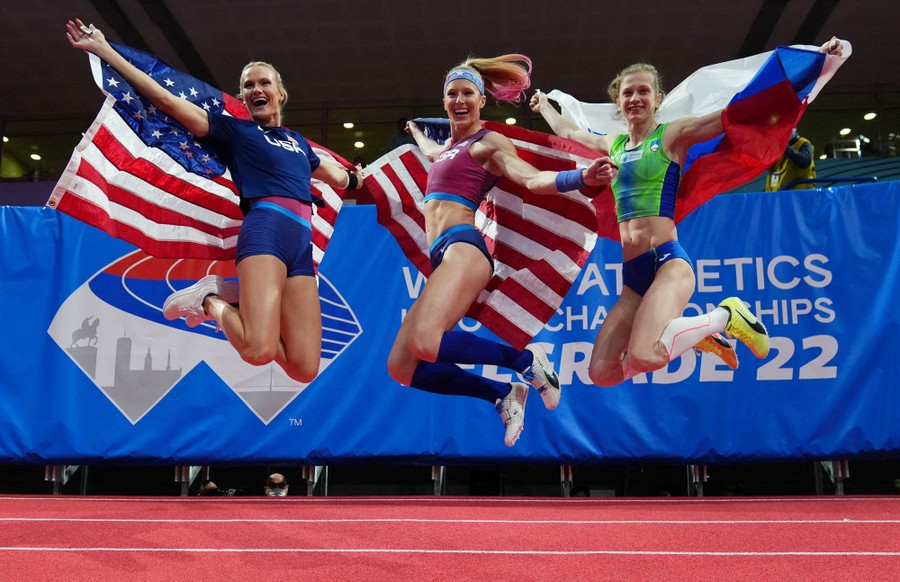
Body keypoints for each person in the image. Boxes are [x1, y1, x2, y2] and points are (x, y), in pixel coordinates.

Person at [530, 38, 845, 386]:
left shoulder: (673, 135)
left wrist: (814, 65)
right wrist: (544, 105)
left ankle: (726, 315)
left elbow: (736, 115)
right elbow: (569, 133)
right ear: (618, 103)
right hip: (633, 276)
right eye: (628, 93)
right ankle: (694, 334)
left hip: (668, 263)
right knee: (601, 373)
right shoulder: (612, 144)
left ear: (658, 99)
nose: (635, 98)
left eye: (643, 91)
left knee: (646, 355)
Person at [67, 19, 363, 383]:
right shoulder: (236, 131)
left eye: (263, 82)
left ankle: (232, 294)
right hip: (265, 232)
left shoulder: (299, 144)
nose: (256, 88)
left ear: (280, 93)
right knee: (258, 350)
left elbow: (340, 178)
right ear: (243, 99)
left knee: (304, 368)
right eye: (248, 86)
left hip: (299, 246)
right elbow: (165, 99)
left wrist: (356, 176)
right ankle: (209, 299)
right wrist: (105, 51)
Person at [386, 54, 617, 447]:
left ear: (480, 101)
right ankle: (502, 394)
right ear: (444, 103)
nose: (460, 100)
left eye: (468, 94)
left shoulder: (487, 143)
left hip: (465, 247)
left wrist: (580, 176)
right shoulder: (445, 151)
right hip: (442, 254)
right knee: (402, 367)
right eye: (452, 94)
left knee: (427, 341)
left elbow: (530, 178)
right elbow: (429, 151)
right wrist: (415, 131)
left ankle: (528, 362)